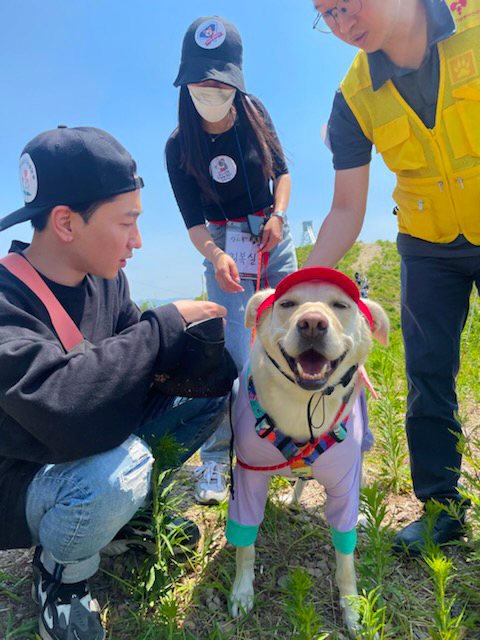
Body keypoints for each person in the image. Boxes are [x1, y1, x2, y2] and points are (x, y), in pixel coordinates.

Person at [0, 125, 232, 640]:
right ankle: (62, 577)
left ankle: (123, 516)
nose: (138, 241)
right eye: (127, 222)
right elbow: (61, 406)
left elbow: (133, 358)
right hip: (26, 476)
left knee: (212, 391)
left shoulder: (106, 279)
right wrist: (164, 327)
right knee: (118, 471)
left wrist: (201, 347)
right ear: (65, 222)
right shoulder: (7, 300)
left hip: (91, 441)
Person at [305, 0, 478, 554]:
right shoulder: (353, 96)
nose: (342, 23)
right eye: (326, 15)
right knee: (427, 372)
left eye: (347, 4)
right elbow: (346, 210)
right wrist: (299, 286)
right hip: (428, 246)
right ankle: (442, 507)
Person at [166, 16, 298, 504]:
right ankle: (217, 459)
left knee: (286, 341)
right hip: (221, 243)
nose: (211, 88)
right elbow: (192, 222)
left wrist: (279, 216)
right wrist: (217, 254)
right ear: (185, 82)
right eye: (202, 80)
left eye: (221, 80)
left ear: (236, 81)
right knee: (231, 354)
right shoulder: (179, 145)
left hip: (269, 234)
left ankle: (281, 447)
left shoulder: (254, 114)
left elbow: (282, 173)